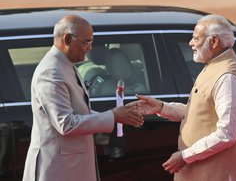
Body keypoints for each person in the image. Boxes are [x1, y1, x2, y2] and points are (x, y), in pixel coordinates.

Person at [22, 15, 144, 181]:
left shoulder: (65, 65)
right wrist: (113, 115)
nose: (90, 48)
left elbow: (79, 111)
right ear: (67, 39)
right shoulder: (50, 72)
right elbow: (66, 124)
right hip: (58, 170)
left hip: (71, 167)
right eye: (86, 42)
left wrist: (114, 115)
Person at [135, 14, 236, 180]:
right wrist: (163, 108)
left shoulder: (228, 77)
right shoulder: (215, 65)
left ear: (213, 41)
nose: (191, 43)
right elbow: (202, 114)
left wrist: (185, 156)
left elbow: (226, 133)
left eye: (196, 39)